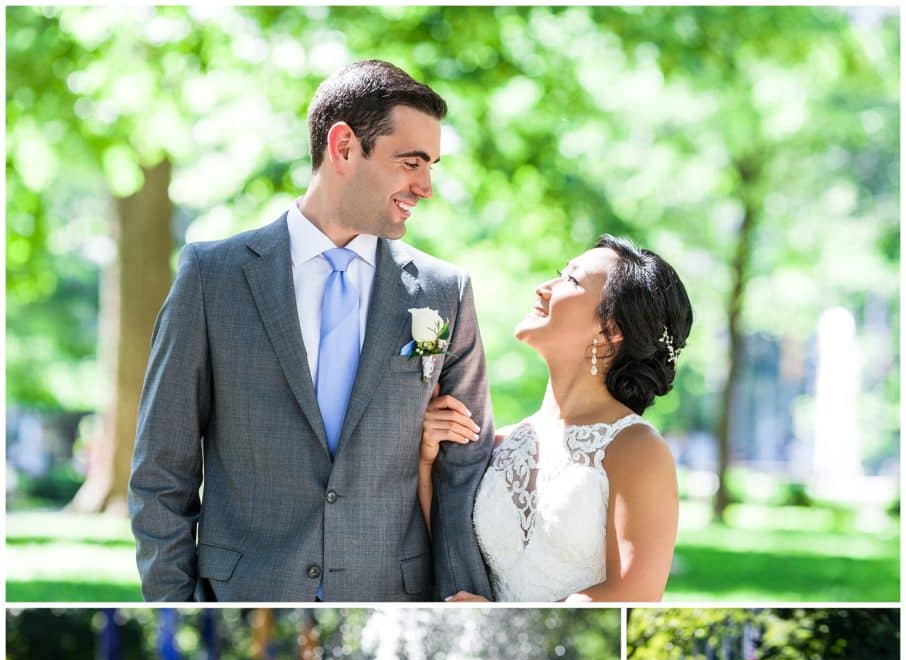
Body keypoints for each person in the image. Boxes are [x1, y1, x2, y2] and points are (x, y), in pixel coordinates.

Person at [129, 59, 493, 602]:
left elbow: (465, 469)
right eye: (412, 162)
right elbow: (162, 473)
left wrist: (461, 595)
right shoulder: (213, 278)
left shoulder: (445, 292)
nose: (426, 187)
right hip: (243, 595)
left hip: (395, 598)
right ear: (343, 146)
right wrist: (177, 607)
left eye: (432, 165)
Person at [420, 234, 692, 602]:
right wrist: (427, 459)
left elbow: (636, 592)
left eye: (572, 280)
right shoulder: (498, 443)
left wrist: (506, 622)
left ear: (610, 331)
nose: (544, 288)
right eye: (559, 273)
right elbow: (446, 547)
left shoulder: (638, 450)